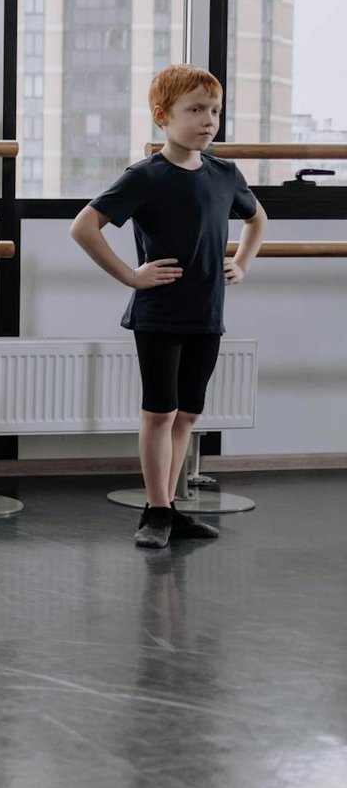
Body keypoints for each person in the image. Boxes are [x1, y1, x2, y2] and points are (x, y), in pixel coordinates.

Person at [70, 64, 267, 549]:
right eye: (196, 109)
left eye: (214, 111)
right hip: (159, 315)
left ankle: (171, 507)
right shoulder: (145, 176)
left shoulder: (224, 173)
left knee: (187, 415)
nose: (208, 120)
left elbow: (257, 218)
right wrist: (132, 276)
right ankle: (156, 510)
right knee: (159, 413)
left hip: (207, 313)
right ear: (163, 116)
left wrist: (241, 263)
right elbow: (83, 227)